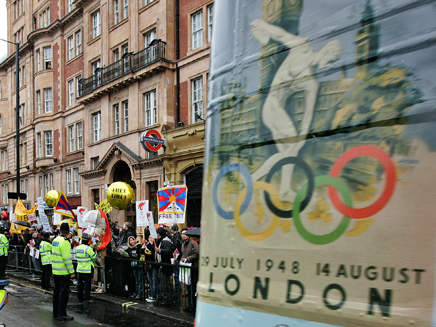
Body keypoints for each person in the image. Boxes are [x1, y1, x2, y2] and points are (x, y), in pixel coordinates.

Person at [250, 18, 342, 200]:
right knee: (289, 151)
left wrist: (302, 137)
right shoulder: (302, 47)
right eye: (330, 60)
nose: (328, 65)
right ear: (327, 50)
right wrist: (263, 26)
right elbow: (281, 35)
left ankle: (283, 189)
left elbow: (308, 114)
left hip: (275, 110)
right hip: (272, 106)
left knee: (288, 152)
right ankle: (254, 180)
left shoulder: (312, 83)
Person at [51, 222, 75, 321]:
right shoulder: (65, 242)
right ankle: (62, 313)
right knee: (63, 294)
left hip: (55, 270)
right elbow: (67, 259)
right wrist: (72, 272)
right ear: (67, 232)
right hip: (63, 272)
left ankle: (56, 312)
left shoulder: (55, 240)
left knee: (56, 292)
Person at [181, 228, 200, 313]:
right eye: (182, 234)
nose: (183, 235)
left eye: (185, 233)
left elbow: (196, 254)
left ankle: (194, 306)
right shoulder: (183, 244)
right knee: (188, 287)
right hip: (186, 267)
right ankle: (189, 305)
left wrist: (187, 259)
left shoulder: (193, 243)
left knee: (193, 287)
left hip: (193, 267)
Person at [76, 235, 97, 304]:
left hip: (80, 268)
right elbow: (94, 257)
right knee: (87, 284)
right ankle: (87, 298)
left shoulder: (77, 248)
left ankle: (79, 296)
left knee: (80, 283)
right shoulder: (88, 248)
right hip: (87, 269)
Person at [155, 227, 173, 306]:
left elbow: (168, 251)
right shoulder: (163, 240)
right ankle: (166, 297)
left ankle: (167, 299)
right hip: (164, 265)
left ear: (159, 234)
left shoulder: (166, 241)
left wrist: (160, 251)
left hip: (166, 265)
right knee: (164, 282)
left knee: (165, 282)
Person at [145, 235, 158, 303]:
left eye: (152, 238)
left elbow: (153, 251)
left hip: (154, 265)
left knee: (153, 280)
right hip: (148, 265)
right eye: (149, 238)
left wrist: (151, 244)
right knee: (150, 280)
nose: (151, 239)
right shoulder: (146, 245)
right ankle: (151, 294)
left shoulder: (155, 245)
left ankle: (154, 295)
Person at [171, 224, 182, 290]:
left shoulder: (176, 236)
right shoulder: (178, 236)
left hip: (177, 255)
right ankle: (178, 284)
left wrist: (172, 248)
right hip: (178, 255)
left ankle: (177, 285)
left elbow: (176, 244)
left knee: (176, 270)